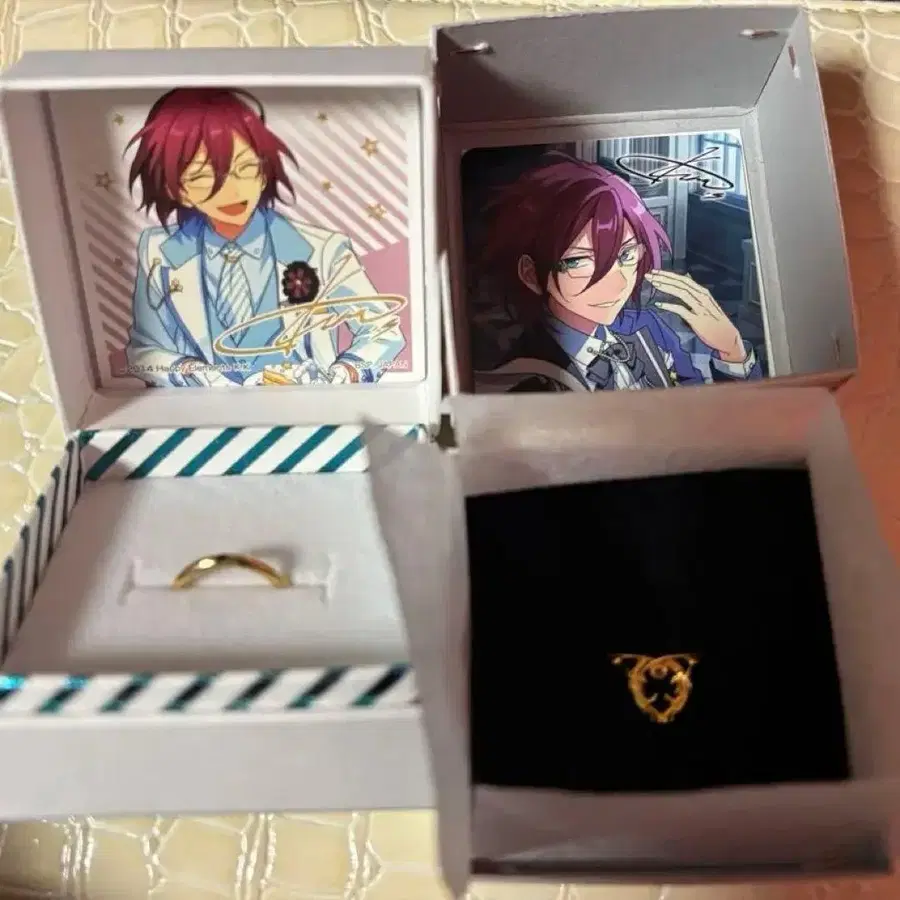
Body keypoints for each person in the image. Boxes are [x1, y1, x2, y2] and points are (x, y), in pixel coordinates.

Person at [125, 87, 404, 387]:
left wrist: (335, 378)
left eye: (245, 168)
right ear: (176, 189)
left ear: (263, 170)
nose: (232, 191)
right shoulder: (158, 251)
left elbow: (383, 332)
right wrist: (202, 378)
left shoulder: (322, 250)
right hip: (206, 408)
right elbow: (144, 353)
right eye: (202, 176)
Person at [474, 152, 762, 392]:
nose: (618, 285)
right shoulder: (525, 381)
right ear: (530, 274)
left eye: (626, 255)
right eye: (580, 261)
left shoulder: (649, 327)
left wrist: (732, 352)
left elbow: (709, 419)